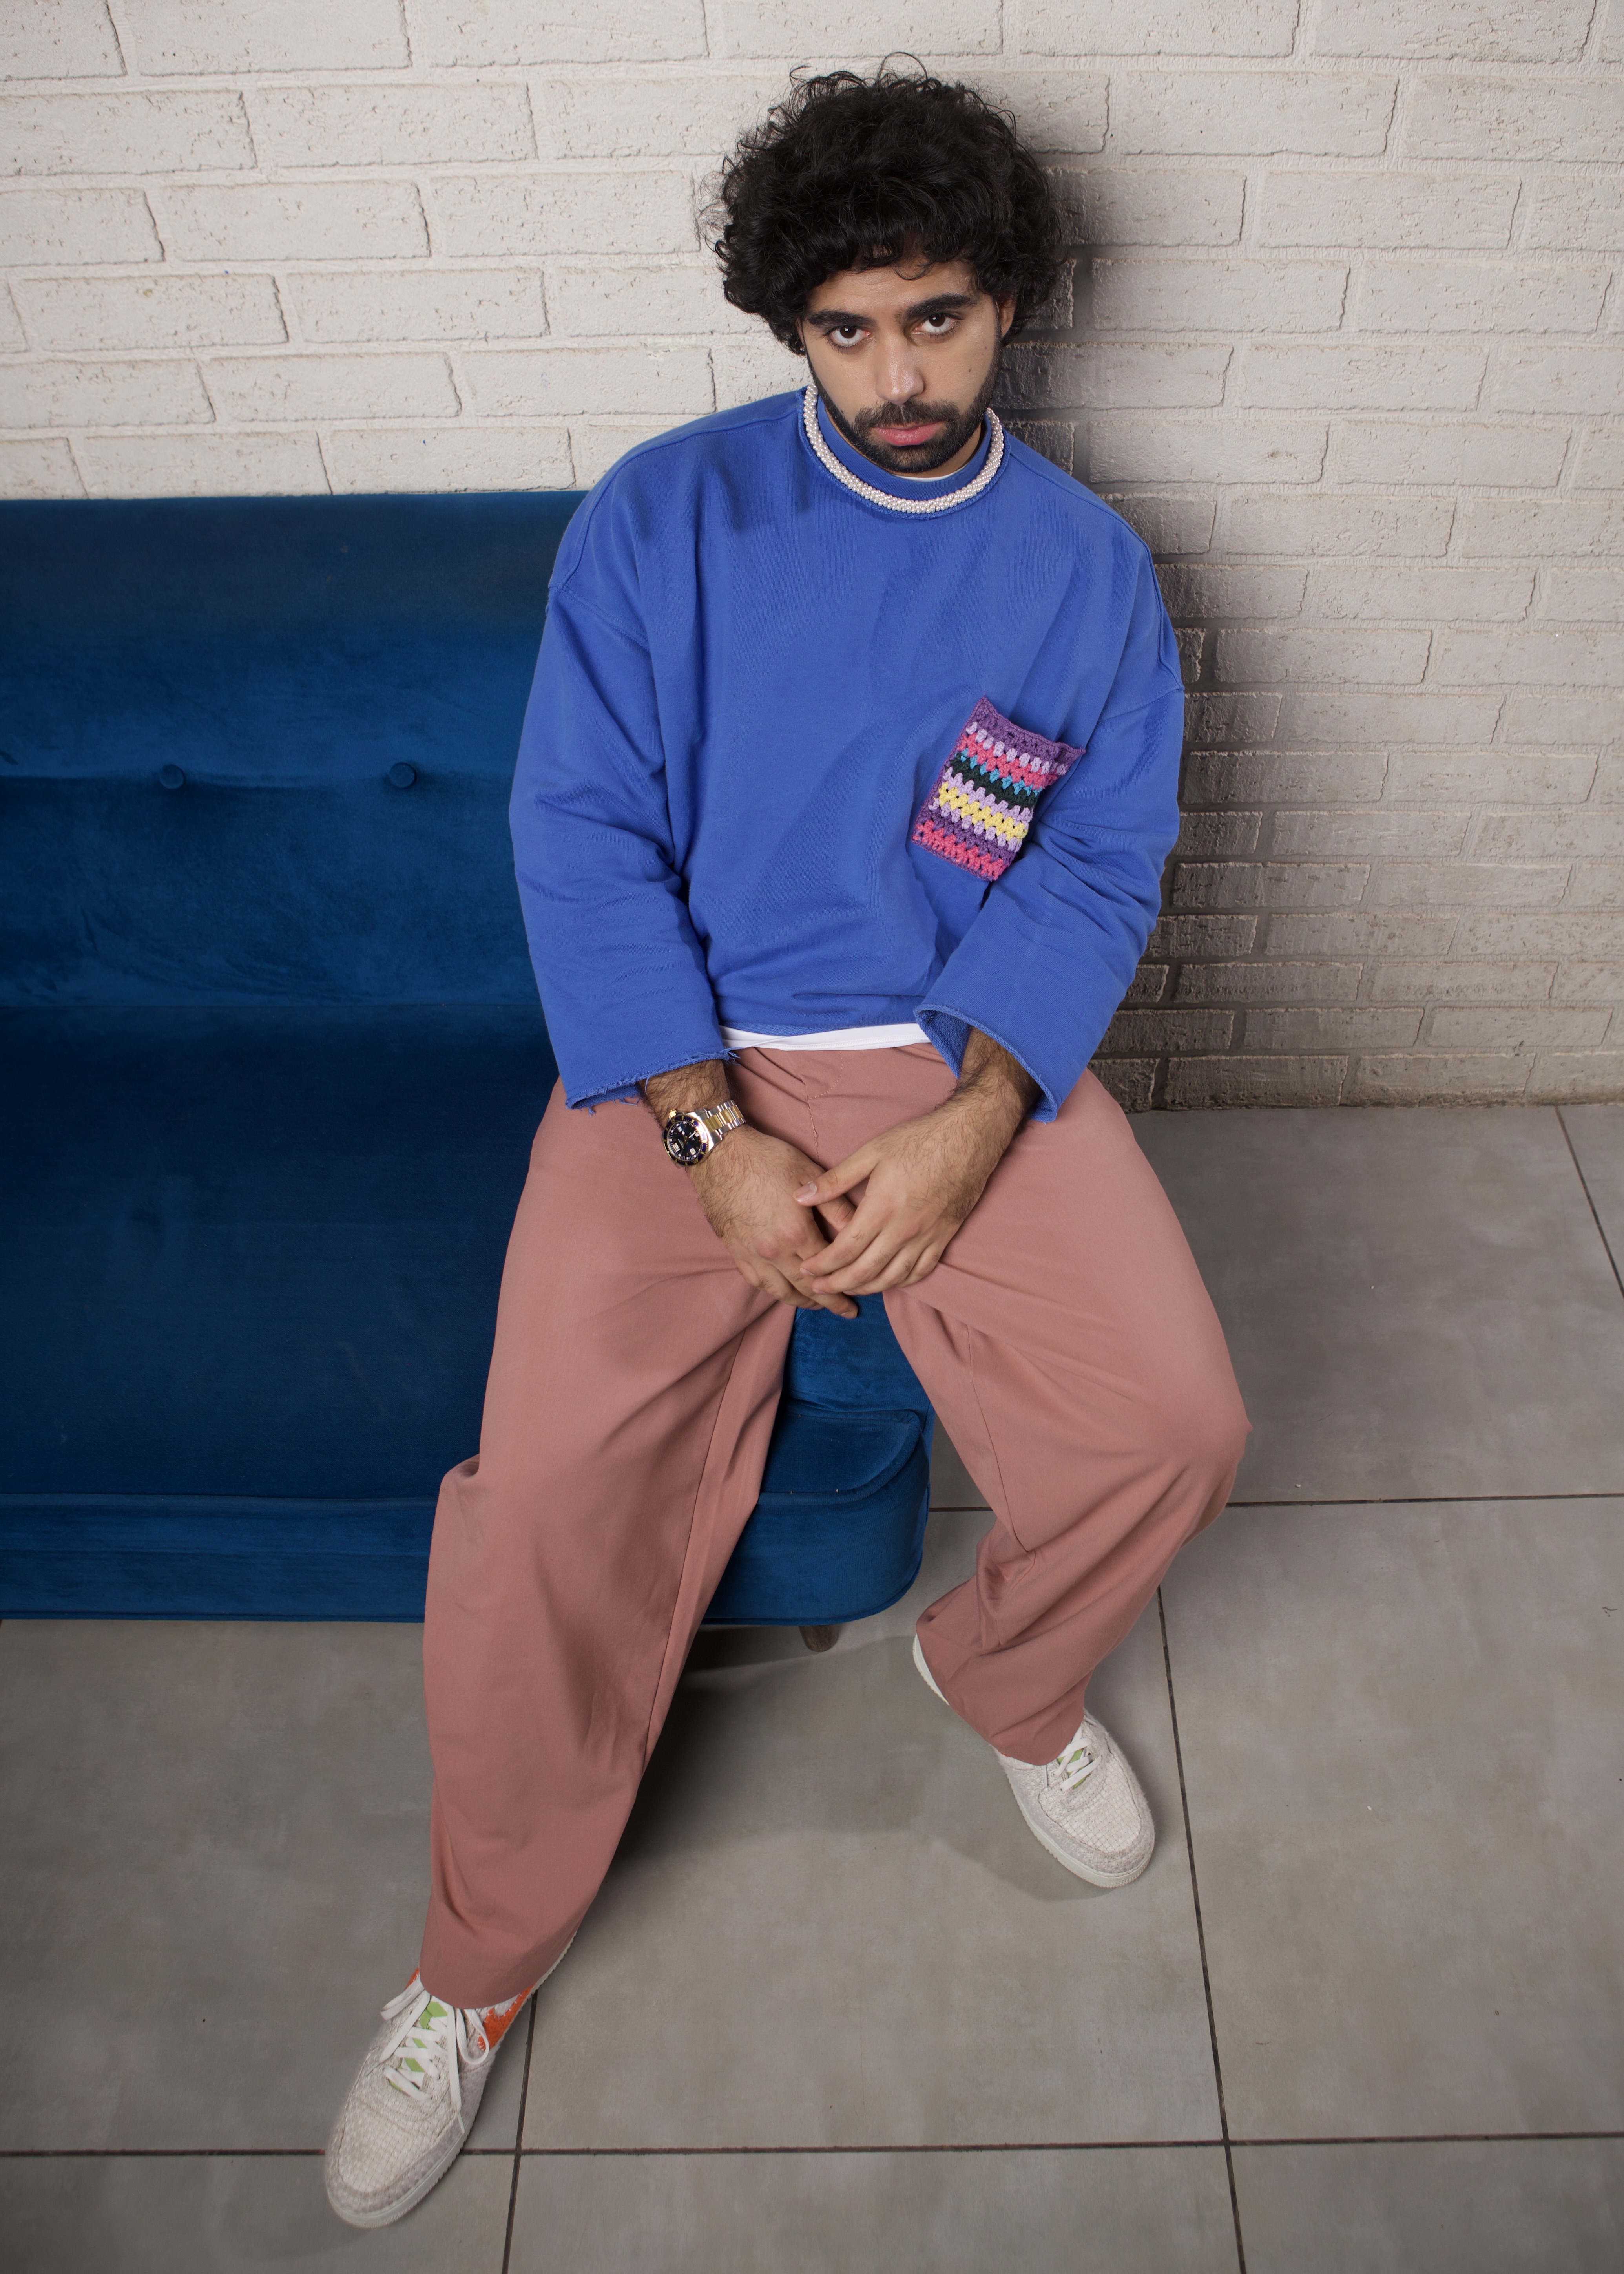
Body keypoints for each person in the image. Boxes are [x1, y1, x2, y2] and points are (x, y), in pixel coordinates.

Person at [325, 66, 1248, 2230]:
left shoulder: (1086, 571)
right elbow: (580, 838)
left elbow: (1094, 863)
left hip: (955, 1062)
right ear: (788, 326)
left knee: (1178, 1422)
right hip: (685, 1070)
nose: (897, 376)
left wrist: (977, 1122)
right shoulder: (663, 521)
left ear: (1007, 302)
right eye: (848, 329)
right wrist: (708, 1136)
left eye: (936, 319)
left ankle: (1003, 1674)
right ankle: (476, 1959)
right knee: (545, 1493)